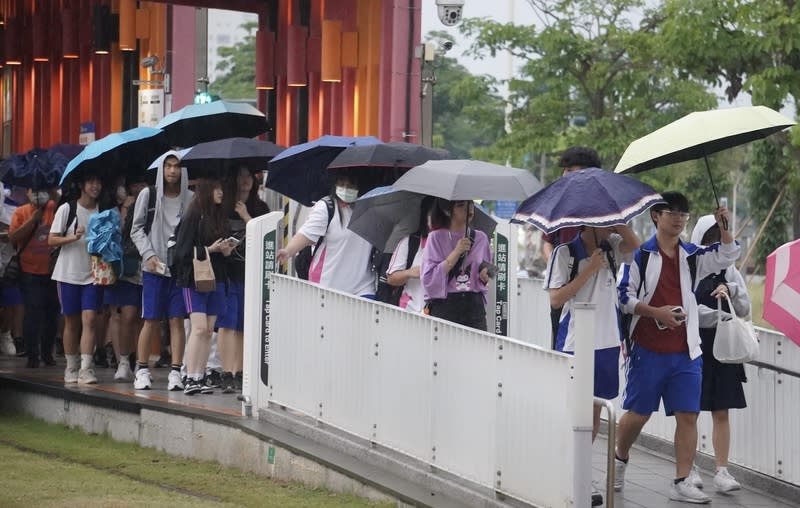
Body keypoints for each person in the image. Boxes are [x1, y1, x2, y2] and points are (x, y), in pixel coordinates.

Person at [614, 192, 740, 504]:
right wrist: (656, 313)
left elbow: (726, 255)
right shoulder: (640, 255)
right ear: (656, 216)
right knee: (638, 414)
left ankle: (682, 480)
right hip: (647, 350)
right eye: (672, 212)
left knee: (688, 415)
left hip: (687, 352)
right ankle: (619, 457)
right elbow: (623, 298)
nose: (679, 218)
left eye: (684, 213)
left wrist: (725, 226)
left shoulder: (693, 255)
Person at [544, 223, 639, 506]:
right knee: (575, 412)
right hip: (575, 342)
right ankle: (566, 471)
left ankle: (583, 472)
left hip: (607, 342)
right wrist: (590, 269)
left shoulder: (612, 245)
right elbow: (556, 298)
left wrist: (619, 222)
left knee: (595, 415)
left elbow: (636, 244)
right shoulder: (565, 253)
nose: (610, 223)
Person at [685, 214, 749, 492]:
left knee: (721, 410)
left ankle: (722, 471)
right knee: (690, 410)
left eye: (717, 238)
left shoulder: (730, 270)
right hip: (695, 345)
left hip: (724, 349)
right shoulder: (688, 268)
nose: (713, 245)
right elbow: (688, 312)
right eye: (708, 238)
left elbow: (745, 308)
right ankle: (687, 469)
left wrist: (731, 290)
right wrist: (718, 315)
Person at [130, 151, 193, 391]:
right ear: (162, 168)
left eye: (177, 166)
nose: (173, 171)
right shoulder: (149, 194)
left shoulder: (190, 198)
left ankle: (176, 371)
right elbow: (136, 230)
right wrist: (149, 255)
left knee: (177, 320)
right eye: (168, 166)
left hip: (179, 270)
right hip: (154, 268)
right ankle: (142, 369)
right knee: (151, 319)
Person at [172, 178, 234, 395]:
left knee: (209, 331)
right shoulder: (193, 216)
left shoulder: (219, 217)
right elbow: (182, 252)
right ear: (207, 190)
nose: (220, 192)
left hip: (216, 279)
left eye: (221, 188)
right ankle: (189, 375)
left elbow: (220, 252)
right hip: (194, 280)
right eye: (216, 188)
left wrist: (226, 250)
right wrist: (210, 249)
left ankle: (200, 374)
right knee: (198, 328)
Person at [541, 147, 603, 348]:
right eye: (566, 171)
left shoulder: (602, 208)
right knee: (562, 345)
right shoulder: (557, 206)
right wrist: (556, 268)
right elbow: (547, 242)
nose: (568, 176)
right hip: (564, 285)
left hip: (596, 288)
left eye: (575, 171)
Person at [277, 172, 375, 298]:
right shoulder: (326, 207)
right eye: (341, 183)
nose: (345, 189)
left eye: (351, 185)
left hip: (364, 290)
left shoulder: (371, 209)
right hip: (328, 288)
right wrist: (288, 251)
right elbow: (307, 234)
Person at [217, 166, 269, 393]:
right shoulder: (223, 209)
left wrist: (248, 218)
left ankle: (239, 372)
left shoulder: (261, 208)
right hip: (227, 273)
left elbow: (267, 237)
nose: (246, 180)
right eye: (241, 176)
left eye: (249, 176)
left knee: (242, 325)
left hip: (250, 273)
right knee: (227, 323)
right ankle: (226, 371)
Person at [48, 173, 103, 384]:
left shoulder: (102, 211)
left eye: (98, 182)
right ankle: (71, 366)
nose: (95, 186)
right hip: (67, 273)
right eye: (91, 181)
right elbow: (51, 239)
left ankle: (86, 368)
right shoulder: (67, 209)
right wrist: (73, 237)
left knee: (89, 319)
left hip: (93, 274)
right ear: (81, 184)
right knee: (71, 322)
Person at [421, 199, 493, 330]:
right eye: (461, 205)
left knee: (477, 350)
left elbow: (487, 270)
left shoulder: (481, 238)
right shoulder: (435, 238)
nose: (468, 209)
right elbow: (428, 279)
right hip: (445, 306)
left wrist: (485, 276)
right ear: (448, 210)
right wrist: (456, 251)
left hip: (474, 307)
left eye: (471, 204)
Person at [9, 186, 59, 368]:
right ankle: (32, 355)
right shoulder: (21, 212)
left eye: (42, 190)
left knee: (52, 315)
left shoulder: (55, 208)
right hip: (29, 271)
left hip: (53, 271)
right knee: (33, 313)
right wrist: (32, 221)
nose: (40, 194)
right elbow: (13, 237)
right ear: (28, 193)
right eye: (35, 190)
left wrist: (54, 193)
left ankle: (48, 353)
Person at [104, 176, 148, 381]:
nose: (139, 187)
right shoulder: (119, 208)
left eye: (143, 184)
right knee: (127, 314)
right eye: (136, 184)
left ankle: (141, 363)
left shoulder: (152, 203)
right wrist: (124, 210)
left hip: (148, 264)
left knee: (145, 317)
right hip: (127, 266)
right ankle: (123, 361)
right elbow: (117, 234)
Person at [385, 197, 434, 313]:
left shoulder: (453, 248)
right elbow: (391, 278)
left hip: (437, 318)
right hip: (408, 312)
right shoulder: (410, 242)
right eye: (434, 214)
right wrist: (410, 273)